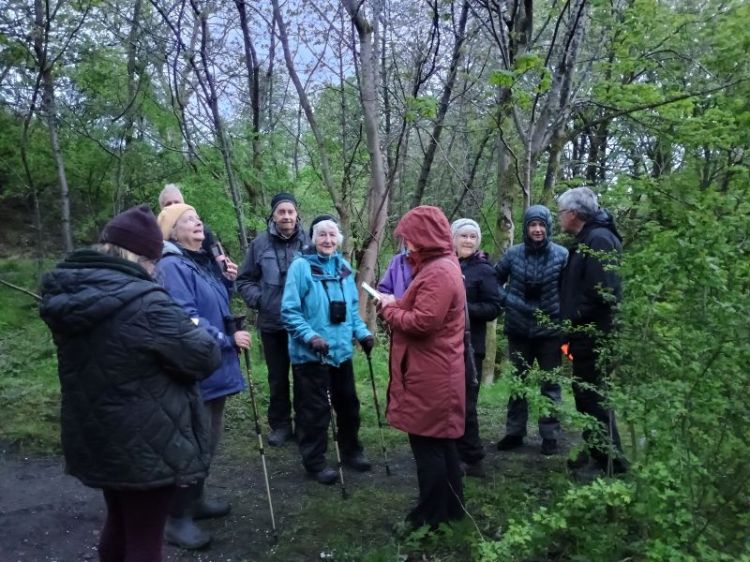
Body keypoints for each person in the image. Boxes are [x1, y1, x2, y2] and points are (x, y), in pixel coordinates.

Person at [39, 205, 221, 562]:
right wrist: (196, 329)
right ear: (141, 256)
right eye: (154, 260)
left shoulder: (73, 293)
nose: (156, 268)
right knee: (144, 538)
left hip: (97, 432)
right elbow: (204, 356)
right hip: (146, 439)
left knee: (119, 522)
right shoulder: (146, 302)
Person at [155, 203, 252, 549]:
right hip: (196, 367)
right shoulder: (171, 266)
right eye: (188, 220)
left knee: (207, 440)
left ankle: (195, 501)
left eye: (198, 218)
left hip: (214, 367)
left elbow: (215, 305)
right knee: (191, 443)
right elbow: (185, 317)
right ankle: (175, 519)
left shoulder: (201, 262)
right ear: (171, 232)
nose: (198, 223)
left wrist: (225, 280)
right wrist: (226, 339)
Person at [378, 206, 466, 530]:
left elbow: (424, 322)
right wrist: (395, 303)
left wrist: (389, 312)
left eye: (411, 237)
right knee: (441, 443)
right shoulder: (435, 267)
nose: (407, 243)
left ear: (425, 237)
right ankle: (452, 509)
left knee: (428, 446)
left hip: (432, 374)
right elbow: (420, 308)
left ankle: (429, 517)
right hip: (432, 370)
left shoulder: (439, 271)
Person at [280, 216, 374, 485]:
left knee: (349, 406)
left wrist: (363, 333)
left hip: (341, 353)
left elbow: (352, 313)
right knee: (314, 411)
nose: (328, 240)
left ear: (339, 239)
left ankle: (351, 451)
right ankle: (315, 461)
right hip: (311, 356)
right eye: (322, 235)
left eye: (332, 235)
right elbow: (289, 311)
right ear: (313, 238)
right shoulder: (300, 267)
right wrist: (311, 337)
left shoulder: (344, 268)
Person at [557, 186, 628, 474]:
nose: (559, 218)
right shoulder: (589, 237)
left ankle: (609, 462)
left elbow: (603, 291)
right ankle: (595, 450)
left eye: (561, 212)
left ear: (573, 214)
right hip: (585, 332)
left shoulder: (599, 239)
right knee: (586, 393)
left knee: (593, 396)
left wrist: (572, 317)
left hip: (594, 334)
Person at [237, 192, 310, 446]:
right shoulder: (259, 245)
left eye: (290, 212)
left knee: (303, 376)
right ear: (274, 215)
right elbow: (244, 280)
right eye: (282, 212)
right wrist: (261, 300)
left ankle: (304, 425)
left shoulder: (310, 243)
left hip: (303, 325)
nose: (287, 216)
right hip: (271, 324)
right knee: (277, 378)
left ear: (297, 214)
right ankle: (280, 426)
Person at [495, 205, 569, 456]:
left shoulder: (562, 255)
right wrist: (507, 301)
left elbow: (571, 289)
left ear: (548, 227)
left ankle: (550, 436)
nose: (537, 230)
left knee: (550, 386)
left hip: (550, 331)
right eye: (532, 225)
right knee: (518, 384)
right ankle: (514, 432)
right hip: (518, 329)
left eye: (541, 225)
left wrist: (560, 312)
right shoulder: (513, 254)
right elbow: (493, 281)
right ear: (526, 227)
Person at [451, 218, 502, 477]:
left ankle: (472, 458)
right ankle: (452, 451)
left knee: (466, 402)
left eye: (473, 236)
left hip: (471, 346)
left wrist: (462, 310)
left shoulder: (484, 269)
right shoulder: (446, 265)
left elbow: (494, 307)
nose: (468, 240)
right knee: (449, 401)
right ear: (453, 238)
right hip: (444, 346)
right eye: (464, 236)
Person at [158, 183, 237, 282]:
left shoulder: (202, 231)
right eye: (168, 204)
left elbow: (219, 258)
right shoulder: (159, 237)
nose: (174, 206)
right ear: (162, 209)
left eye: (177, 202)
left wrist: (226, 277)